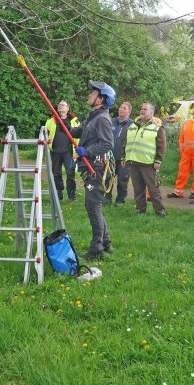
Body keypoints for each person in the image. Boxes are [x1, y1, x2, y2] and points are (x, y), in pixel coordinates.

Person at [70, 81, 115, 261]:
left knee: (93, 206)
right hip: (90, 168)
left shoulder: (102, 119)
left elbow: (107, 144)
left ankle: (97, 248)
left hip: (96, 168)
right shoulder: (93, 117)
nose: (90, 95)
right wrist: (63, 122)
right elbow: (77, 131)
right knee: (93, 205)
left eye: (93, 93)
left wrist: (86, 152)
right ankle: (107, 242)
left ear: (101, 99)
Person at [119, 102, 167, 217]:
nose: (142, 111)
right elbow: (126, 143)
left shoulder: (157, 127)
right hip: (133, 161)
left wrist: (158, 160)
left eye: (145, 109)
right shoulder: (133, 126)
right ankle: (140, 209)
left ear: (151, 113)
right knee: (138, 188)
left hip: (148, 163)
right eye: (141, 109)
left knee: (153, 189)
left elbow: (162, 145)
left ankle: (160, 211)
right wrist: (123, 156)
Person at [44, 101, 80, 201]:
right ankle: (58, 195)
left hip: (69, 152)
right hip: (55, 152)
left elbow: (79, 136)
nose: (60, 106)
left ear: (67, 108)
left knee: (70, 173)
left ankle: (71, 195)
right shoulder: (51, 120)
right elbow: (45, 134)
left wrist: (77, 151)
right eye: (59, 104)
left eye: (63, 105)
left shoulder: (74, 121)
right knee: (56, 174)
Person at [169, 104, 194, 200]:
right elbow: (181, 137)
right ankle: (178, 192)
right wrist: (182, 150)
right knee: (182, 172)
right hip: (186, 153)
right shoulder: (186, 122)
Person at [106, 101, 133, 206]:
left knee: (122, 180)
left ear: (129, 112)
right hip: (110, 156)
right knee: (108, 178)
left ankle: (120, 200)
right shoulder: (111, 121)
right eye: (121, 107)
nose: (121, 109)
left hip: (123, 158)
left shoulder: (132, 125)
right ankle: (107, 199)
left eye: (124, 108)